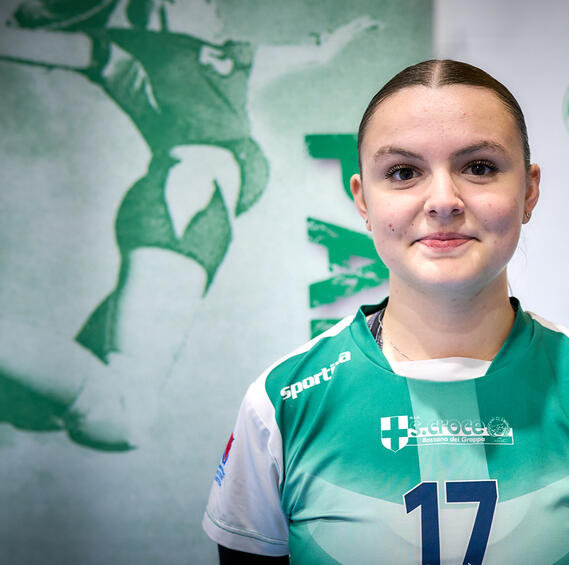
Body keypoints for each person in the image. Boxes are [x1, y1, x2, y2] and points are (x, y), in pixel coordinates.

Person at [202, 59, 569, 564]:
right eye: (403, 172)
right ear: (363, 201)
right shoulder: (280, 403)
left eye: (479, 167)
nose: (443, 201)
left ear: (529, 191)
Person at [0, 0, 377, 450]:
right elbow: (23, 43)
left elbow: (314, 52)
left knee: (39, 411)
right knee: (119, 412)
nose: (214, 7)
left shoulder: (235, 58)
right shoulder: (130, 50)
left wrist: (337, 38)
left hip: (199, 221)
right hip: (181, 203)